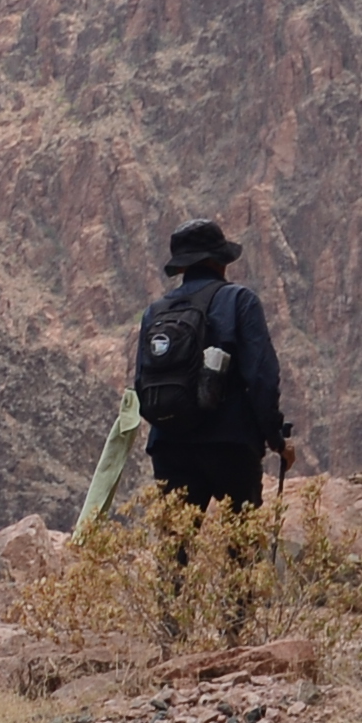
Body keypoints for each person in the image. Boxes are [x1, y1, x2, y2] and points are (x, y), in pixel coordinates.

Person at [126, 218, 291, 514]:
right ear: (220, 261)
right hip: (230, 443)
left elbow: (141, 382)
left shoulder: (155, 312)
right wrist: (275, 438)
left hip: (169, 446)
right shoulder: (239, 300)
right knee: (240, 548)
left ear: (183, 266)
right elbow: (263, 376)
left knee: (175, 551)